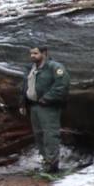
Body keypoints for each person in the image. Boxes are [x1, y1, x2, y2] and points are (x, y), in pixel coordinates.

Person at [24, 45, 70, 174]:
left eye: (35, 53)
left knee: (50, 134)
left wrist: (47, 98)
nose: (32, 56)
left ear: (44, 53)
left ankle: (52, 164)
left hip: (48, 107)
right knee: (38, 134)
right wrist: (23, 103)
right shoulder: (31, 68)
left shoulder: (54, 67)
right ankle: (45, 160)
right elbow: (26, 86)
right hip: (34, 106)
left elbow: (62, 84)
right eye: (31, 53)